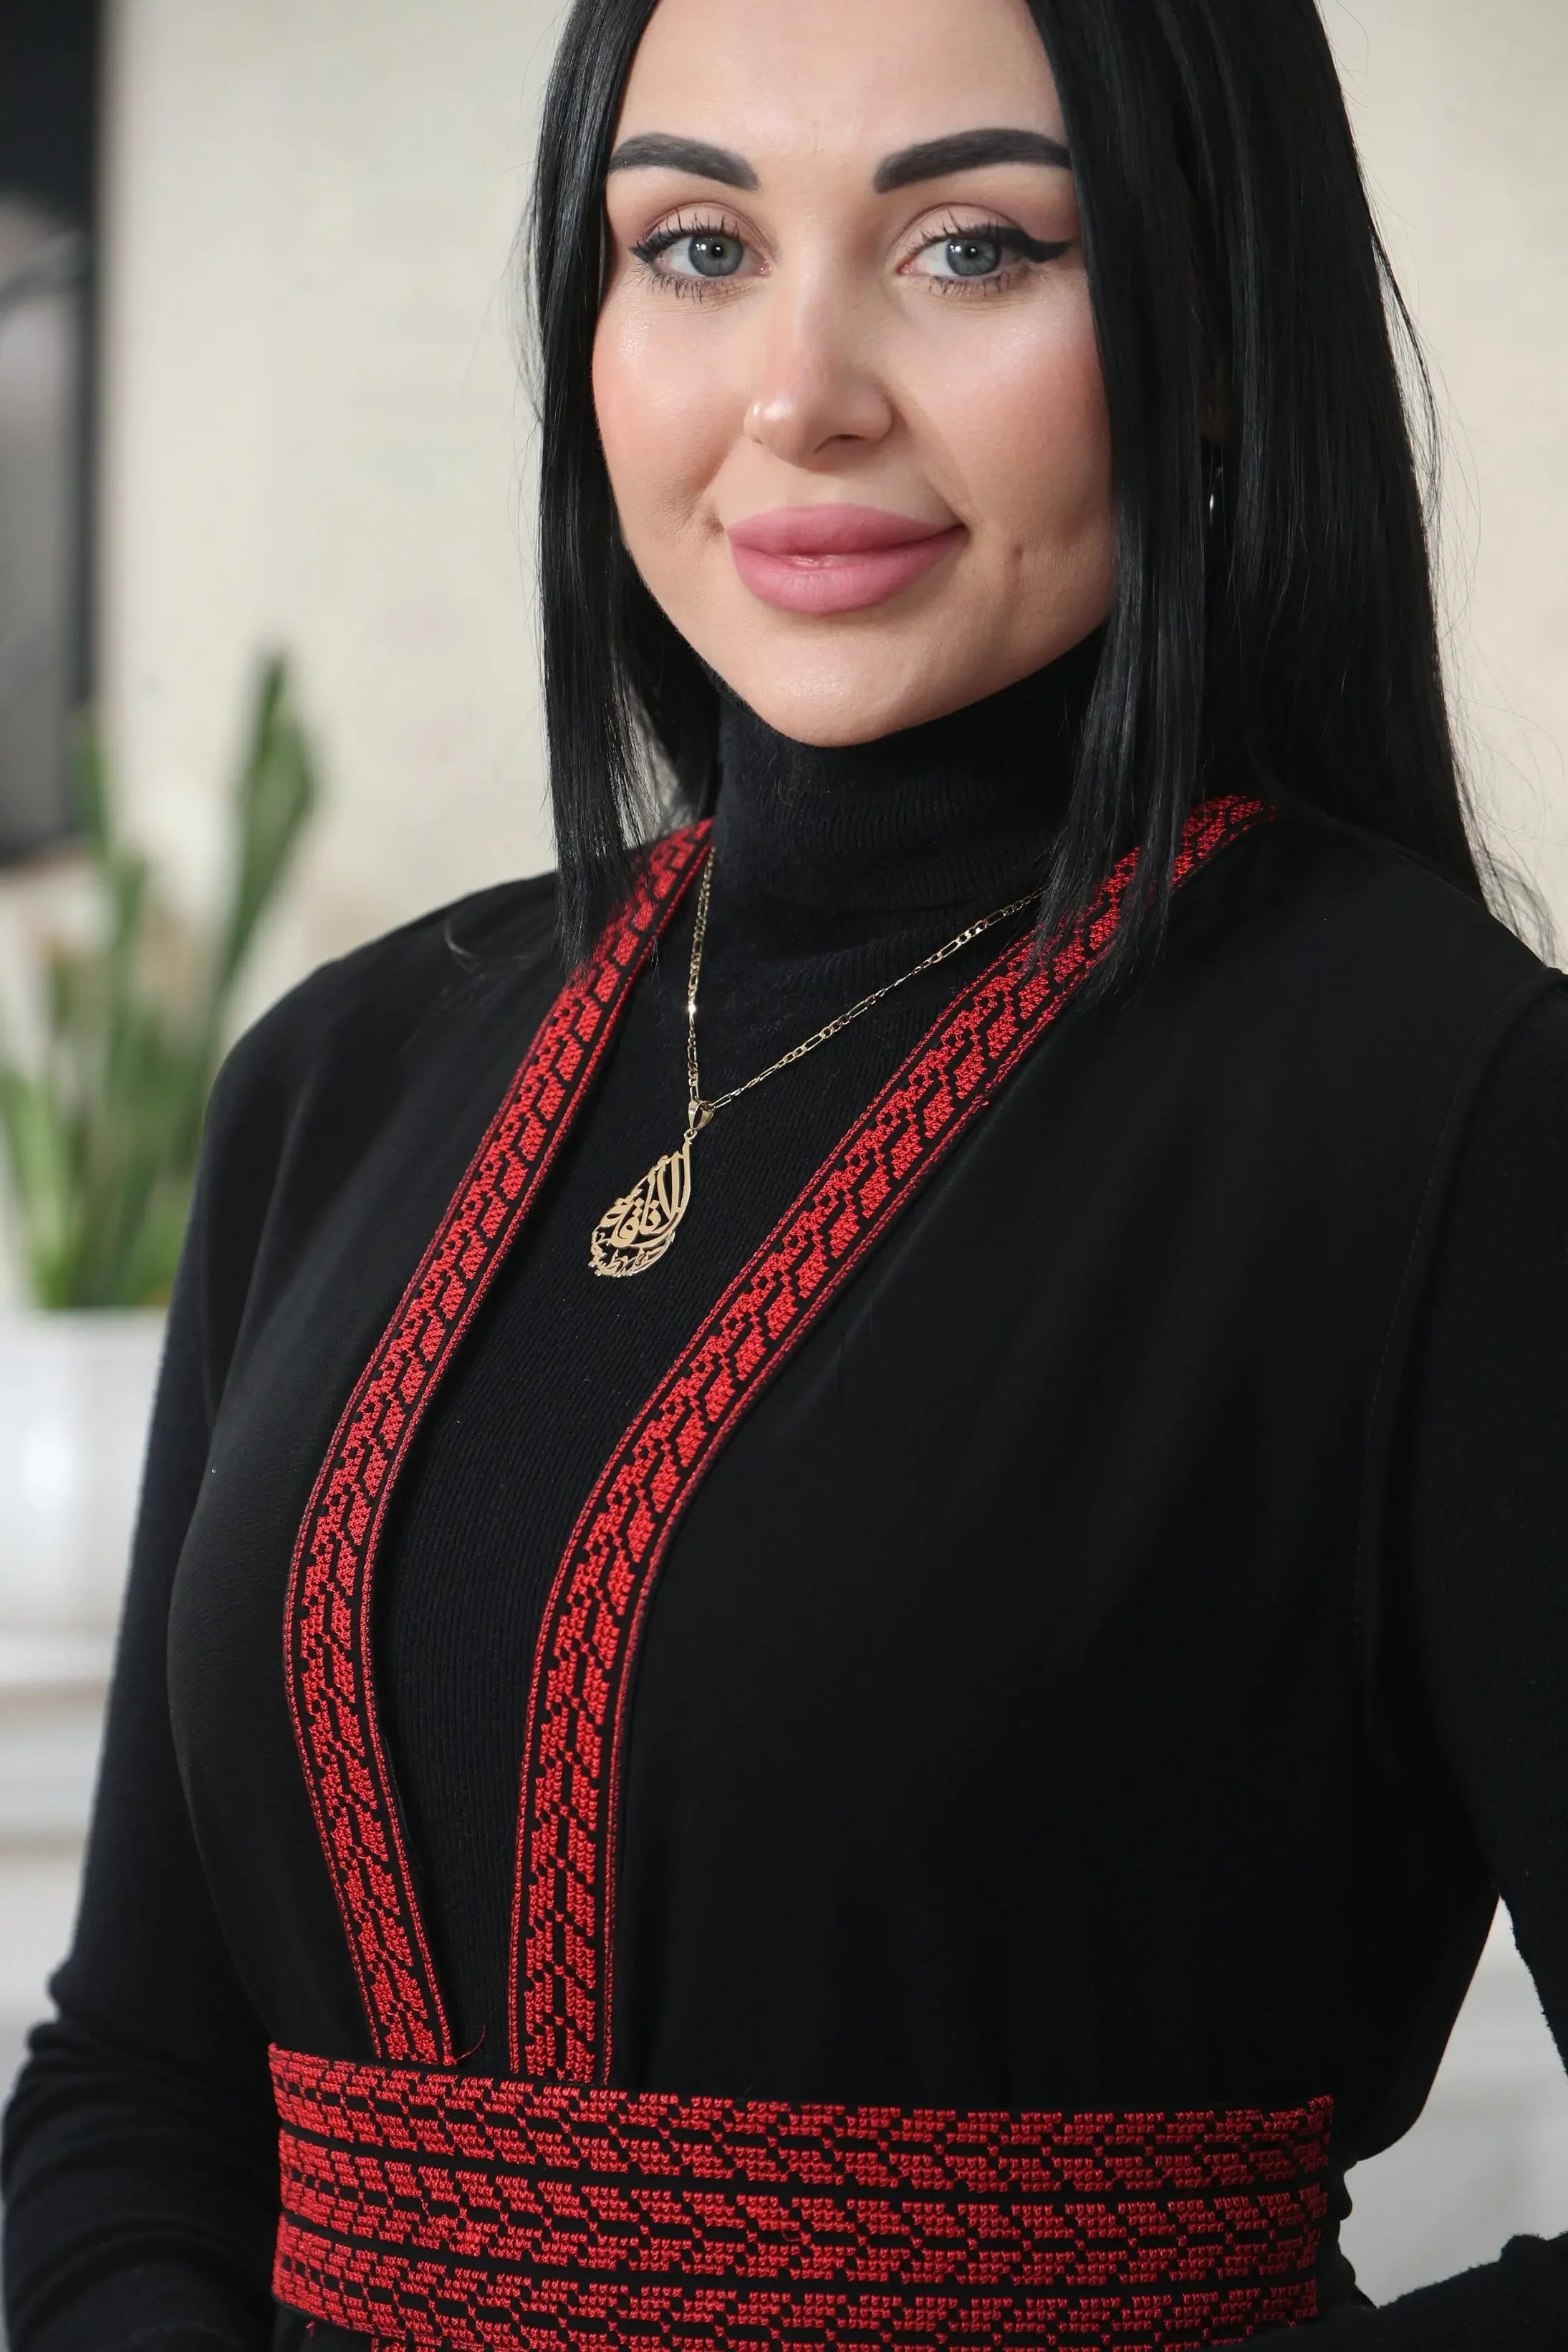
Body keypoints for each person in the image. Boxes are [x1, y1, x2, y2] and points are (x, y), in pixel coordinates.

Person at [6, 0, 1568, 2342]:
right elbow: (140, 2079)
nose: (802, 392)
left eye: (971, 246)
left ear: (1219, 335)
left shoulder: (1449, 1110)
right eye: (699, 246)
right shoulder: (333, 1077)